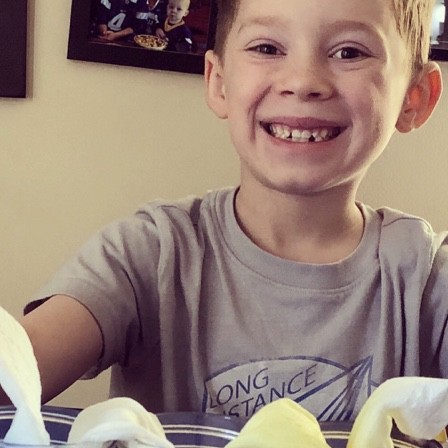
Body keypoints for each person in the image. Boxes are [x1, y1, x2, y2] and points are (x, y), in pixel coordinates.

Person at [1, 0, 446, 422]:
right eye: (267, 48)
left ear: (414, 97)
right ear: (218, 82)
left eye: (349, 52)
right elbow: (17, 369)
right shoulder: (148, 254)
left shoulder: (428, 279)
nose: (303, 81)